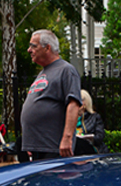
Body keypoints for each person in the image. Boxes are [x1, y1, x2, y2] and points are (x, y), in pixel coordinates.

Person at [20, 29, 82, 160]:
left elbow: (73, 104)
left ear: (47, 47)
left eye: (33, 46)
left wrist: (67, 138)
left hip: (54, 148)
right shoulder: (43, 72)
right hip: (38, 148)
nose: (29, 50)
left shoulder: (66, 70)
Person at [75, 89, 108, 155]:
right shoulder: (69, 117)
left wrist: (89, 138)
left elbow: (100, 136)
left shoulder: (94, 117)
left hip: (90, 149)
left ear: (85, 103)